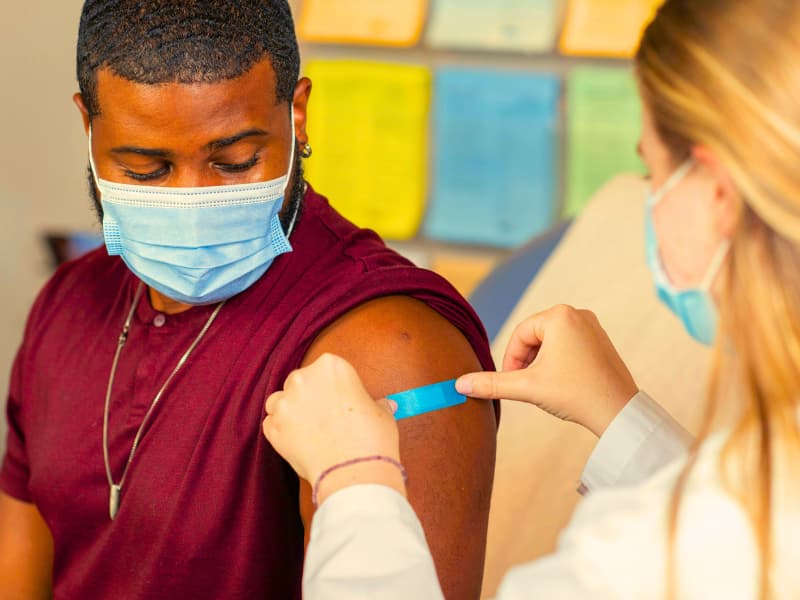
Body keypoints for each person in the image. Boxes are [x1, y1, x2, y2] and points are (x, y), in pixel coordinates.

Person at [263, 0, 800, 597]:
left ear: (718, 194)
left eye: (651, 172)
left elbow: (714, 539)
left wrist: (354, 481)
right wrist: (621, 418)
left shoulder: (652, 553)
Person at [0, 2, 498, 598]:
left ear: (297, 114)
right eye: (145, 169)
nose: (193, 202)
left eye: (234, 162)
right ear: (88, 126)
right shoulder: (70, 302)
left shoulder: (391, 350)